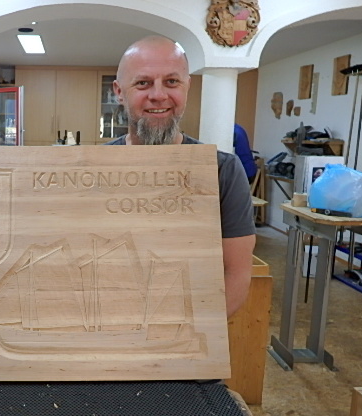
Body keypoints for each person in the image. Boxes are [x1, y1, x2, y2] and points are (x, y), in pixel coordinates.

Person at [106, 35, 255, 415]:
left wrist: (173, 342)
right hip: (102, 353)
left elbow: (236, 274)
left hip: (180, 361)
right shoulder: (90, 167)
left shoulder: (222, 171)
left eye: (171, 81)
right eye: (143, 83)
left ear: (187, 87)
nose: (159, 95)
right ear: (119, 92)